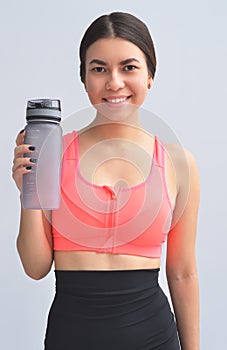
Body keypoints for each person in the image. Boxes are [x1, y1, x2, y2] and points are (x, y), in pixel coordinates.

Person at [12, 12, 200, 350]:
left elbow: (183, 273)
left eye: (128, 67)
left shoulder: (179, 163)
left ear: (150, 76)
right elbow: (36, 267)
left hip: (156, 339)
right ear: (84, 78)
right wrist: (29, 192)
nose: (113, 82)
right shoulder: (54, 153)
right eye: (99, 69)